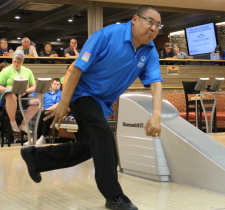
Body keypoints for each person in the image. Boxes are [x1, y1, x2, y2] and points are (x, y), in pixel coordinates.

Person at [21, 5, 163, 210]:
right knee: (104, 136)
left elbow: (156, 83)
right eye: (150, 21)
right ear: (134, 19)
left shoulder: (149, 52)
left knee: (91, 146)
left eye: (158, 25)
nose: (153, 28)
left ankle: (35, 158)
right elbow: (77, 68)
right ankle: (114, 196)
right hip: (82, 93)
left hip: (102, 103)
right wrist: (64, 102)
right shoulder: (107, 35)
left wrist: (156, 114)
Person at [0, 50, 39, 133]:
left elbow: (34, 87)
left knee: (37, 102)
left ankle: (24, 125)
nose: (16, 64)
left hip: (23, 96)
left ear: (22, 62)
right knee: (11, 95)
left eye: (19, 62)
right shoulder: (5, 71)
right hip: (9, 97)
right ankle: (13, 123)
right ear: (12, 61)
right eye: (14, 62)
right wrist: (9, 89)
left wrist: (26, 91)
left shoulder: (28, 71)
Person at [24, 78, 62, 146]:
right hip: (44, 111)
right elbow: (41, 103)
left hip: (53, 111)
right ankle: (35, 137)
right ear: (51, 84)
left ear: (60, 85)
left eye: (58, 84)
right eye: (55, 84)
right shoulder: (46, 93)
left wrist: (47, 110)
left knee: (46, 114)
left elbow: (57, 104)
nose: (56, 85)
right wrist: (41, 109)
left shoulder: (60, 94)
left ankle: (43, 137)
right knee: (37, 114)